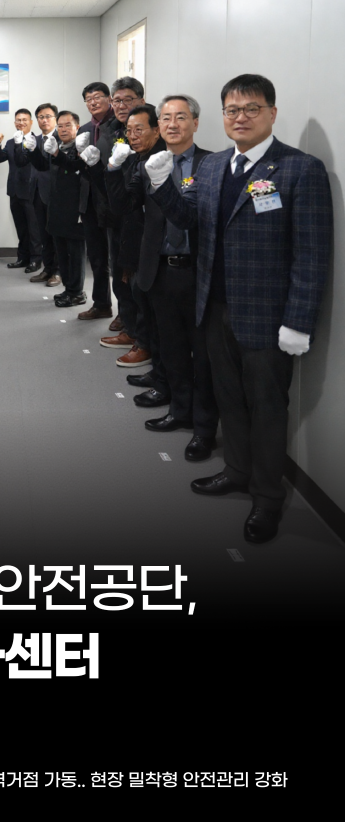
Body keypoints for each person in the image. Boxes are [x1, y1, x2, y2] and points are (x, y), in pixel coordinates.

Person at [146, 73, 332, 542]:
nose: (241, 117)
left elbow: (312, 253)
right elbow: (189, 218)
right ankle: (236, 470)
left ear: (272, 113)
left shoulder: (299, 169)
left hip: (269, 319)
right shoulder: (212, 167)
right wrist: (162, 184)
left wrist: (298, 321)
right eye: (232, 110)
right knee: (229, 398)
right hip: (214, 309)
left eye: (252, 109)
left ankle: (267, 499)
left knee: (267, 409)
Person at [105, 96, 218, 461]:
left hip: (199, 273)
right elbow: (122, 207)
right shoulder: (148, 165)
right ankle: (179, 411)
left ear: (195, 123)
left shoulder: (211, 165)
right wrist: (113, 169)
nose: (172, 124)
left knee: (203, 356)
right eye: (166, 118)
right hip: (160, 269)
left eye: (180, 117)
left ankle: (204, 429)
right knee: (171, 348)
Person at [104, 105, 166, 379]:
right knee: (137, 294)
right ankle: (142, 343)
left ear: (156, 130)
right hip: (135, 236)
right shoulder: (138, 160)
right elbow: (123, 204)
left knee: (151, 302)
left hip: (161, 246)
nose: (132, 136)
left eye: (139, 129)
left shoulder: (164, 159)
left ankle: (147, 348)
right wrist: (112, 167)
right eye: (129, 131)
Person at [21, 111, 101, 306]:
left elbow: (74, 167)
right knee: (62, 254)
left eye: (68, 125)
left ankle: (77, 293)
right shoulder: (57, 145)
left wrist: (57, 154)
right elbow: (43, 166)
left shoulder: (82, 148)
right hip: (56, 208)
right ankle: (68, 289)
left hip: (75, 211)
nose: (63, 129)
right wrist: (32, 150)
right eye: (60, 126)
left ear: (77, 127)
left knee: (75, 255)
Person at [75, 83, 116, 321]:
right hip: (89, 200)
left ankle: (126, 314)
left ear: (109, 98)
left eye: (98, 97)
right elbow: (80, 167)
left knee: (118, 259)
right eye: (88, 99)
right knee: (97, 257)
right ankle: (101, 304)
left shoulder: (118, 125)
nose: (93, 102)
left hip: (113, 199)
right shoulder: (85, 129)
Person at [0, 108, 41, 273]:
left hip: (31, 191)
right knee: (21, 228)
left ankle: (36, 260)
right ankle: (23, 258)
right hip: (14, 191)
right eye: (18, 120)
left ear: (31, 122)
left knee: (34, 228)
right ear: (14, 122)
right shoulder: (10, 142)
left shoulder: (37, 141)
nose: (21, 123)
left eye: (24, 120)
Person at [26, 103, 61, 286]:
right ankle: (47, 269)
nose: (44, 120)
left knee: (56, 235)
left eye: (48, 116)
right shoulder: (36, 139)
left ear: (55, 118)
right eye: (41, 117)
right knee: (43, 234)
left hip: (56, 194)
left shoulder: (61, 137)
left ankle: (58, 271)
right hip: (37, 192)